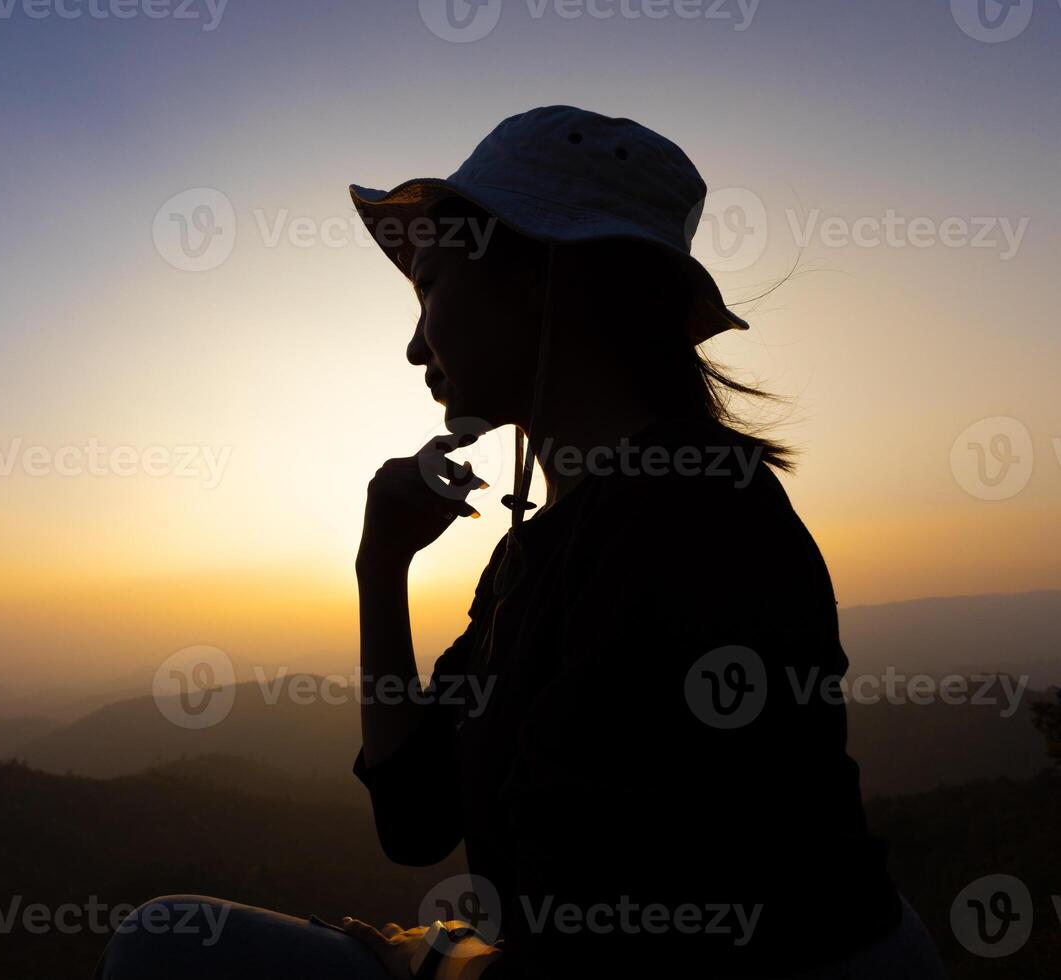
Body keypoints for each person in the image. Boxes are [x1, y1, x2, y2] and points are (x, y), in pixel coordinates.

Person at [96, 105, 947, 979]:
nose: (413, 342)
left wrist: (436, 960)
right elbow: (413, 817)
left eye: (429, 284)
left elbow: (619, 939)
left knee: (163, 951)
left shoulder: (691, 523)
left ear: (540, 276)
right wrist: (378, 569)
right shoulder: (539, 551)